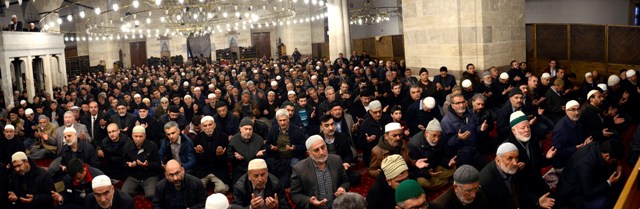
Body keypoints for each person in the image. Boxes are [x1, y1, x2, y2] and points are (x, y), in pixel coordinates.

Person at [479, 143, 555, 209]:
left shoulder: (512, 168)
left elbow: (520, 189)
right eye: (510, 158)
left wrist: (537, 201)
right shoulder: (486, 181)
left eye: (516, 157)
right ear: (498, 160)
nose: (515, 163)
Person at [556, 140, 624, 209]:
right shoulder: (586, 164)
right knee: (604, 201)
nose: (614, 163)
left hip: (583, 183)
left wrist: (617, 166)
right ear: (607, 156)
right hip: (571, 194)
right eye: (614, 161)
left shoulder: (596, 147)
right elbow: (588, 193)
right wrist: (609, 182)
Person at [291, 135, 350, 209]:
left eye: (323, 147)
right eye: (316, 150)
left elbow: (345, 181)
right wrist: (310, 200)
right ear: (309, 153)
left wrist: (342, 188)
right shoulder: (299, 169)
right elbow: (295, 195)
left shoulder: (336, 160)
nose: (321, 152)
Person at [408, 119, 456, 190]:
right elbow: (413, 168)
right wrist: (427, 173)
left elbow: (440, 156)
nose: (436, 139)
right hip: (422, 172)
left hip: (434, 167)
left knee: (453, 168)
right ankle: (446, 182)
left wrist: (448, 162)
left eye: (438, 136)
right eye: (434, 135)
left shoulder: (440, 139)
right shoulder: (414, 144)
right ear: (427, 133)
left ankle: (438, 181)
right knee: (422, 182)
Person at [121, 125, 161, 200]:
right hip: (134, 176)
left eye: (140, 136)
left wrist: (147, 165)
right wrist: (129, 165)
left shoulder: (152, 146)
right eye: (136, 136)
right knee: (124, 194)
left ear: (145, 136)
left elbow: (158, 164)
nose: (138, 139)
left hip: (149, 176)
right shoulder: (127, 146)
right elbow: (122, 164)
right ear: (132, 136)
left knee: (151, 195)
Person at [193, 116, 230, 193]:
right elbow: (198, 160)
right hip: (203, 169)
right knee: (197, 189)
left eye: (210, 124)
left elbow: (226, 158)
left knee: (221, 189)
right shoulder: (197, 138)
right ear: (201, 127)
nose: (208, 127)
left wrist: (219, 155)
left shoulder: (223, 137)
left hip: (218, 169)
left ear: (214, 125)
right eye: (205, 126)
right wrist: (201, 153)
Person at [552, 100, 591, 172]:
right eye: (573, 110)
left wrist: (585, 140)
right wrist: (575, 148)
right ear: (566, 111)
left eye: (578, 109)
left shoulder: (577, 120)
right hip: (563, 164)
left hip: (576, 155)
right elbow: (557, 152)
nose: (576, 112)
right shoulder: (560, 129)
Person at [228, 118, 266, 185]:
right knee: (237, 186)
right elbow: (228, 156)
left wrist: (260, 155)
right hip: (240, 169)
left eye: (250, 129)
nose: (248, 132)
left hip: (256, 169)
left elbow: (265, 154)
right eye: (245, 129)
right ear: (240, 129)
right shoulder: (234, 140)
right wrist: (235, 157)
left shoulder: (259, 139)